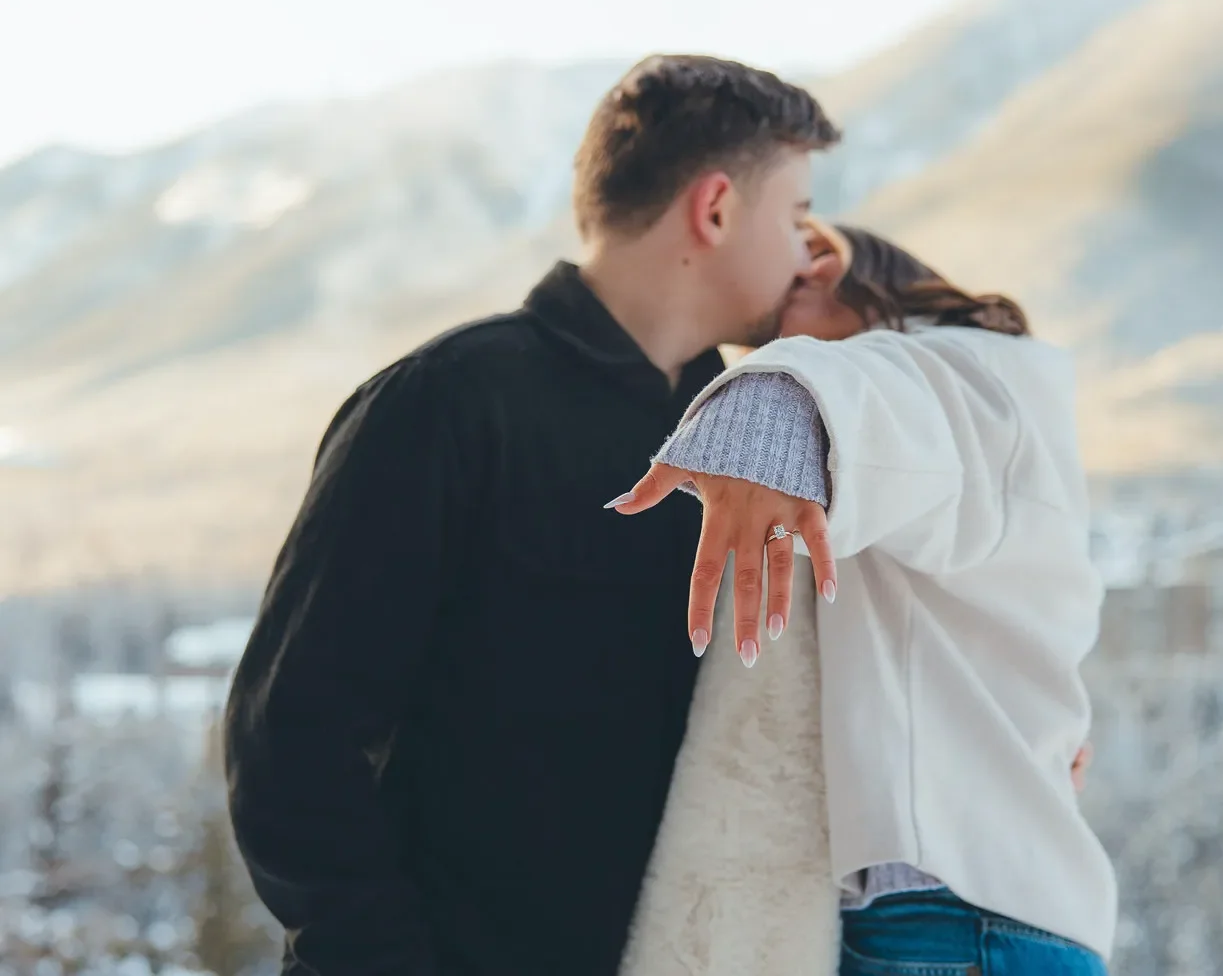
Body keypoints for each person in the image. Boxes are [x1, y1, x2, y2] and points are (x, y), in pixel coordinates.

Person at [220, 54, 840, 976]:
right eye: (794, 216)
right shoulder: (445, 404)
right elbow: (290, 742)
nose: (811, 253)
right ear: (714, 209)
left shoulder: (760, 434)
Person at [614, 221, 1116, 975]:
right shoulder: (999, 403)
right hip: (979, 922)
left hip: (955, 928)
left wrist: (776, 403)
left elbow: (893, 400)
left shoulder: (974, 370)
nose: (797, 268)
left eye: (819, 254)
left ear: (893, 272)